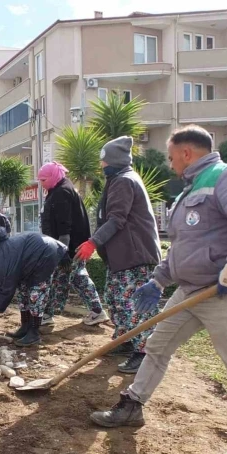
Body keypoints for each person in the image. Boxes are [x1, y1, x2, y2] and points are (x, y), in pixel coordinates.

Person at [90, 125, 227, 454]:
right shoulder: (190, 188)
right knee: (157, 346)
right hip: (190, 290)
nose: (170, 161)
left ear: (186, 153)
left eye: (171, 155)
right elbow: (182, 247)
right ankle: (132, 406)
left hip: (224, 294)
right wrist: (158, 279)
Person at [74, 136, 162, 374]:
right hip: (122, 257)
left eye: (103, 161)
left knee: (133, 304)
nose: (101, 166)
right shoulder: (117, 180)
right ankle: (124, 340)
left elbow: (117, 219)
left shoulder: (124, 181)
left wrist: (93, 242)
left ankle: (144, 351)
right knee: (114, 299)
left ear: (113, 161)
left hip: (135, 257)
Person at [0, 227, 69, 347]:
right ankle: (25, 326)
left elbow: (7, 288)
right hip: (30, 258)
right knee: (23, 292)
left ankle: (34, 333)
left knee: (35, 295)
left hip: (43, 253)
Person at [37, 161, 108, 326]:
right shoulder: (60, 189)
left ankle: (49, 314)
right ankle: (95, 310)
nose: (41, 184)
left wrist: (62, 252)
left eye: (43, 180)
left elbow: (64, 225)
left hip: (68, 248)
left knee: (65, 277)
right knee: (70, 278)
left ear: (53, 177)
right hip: (70, 247)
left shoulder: (62, 192)